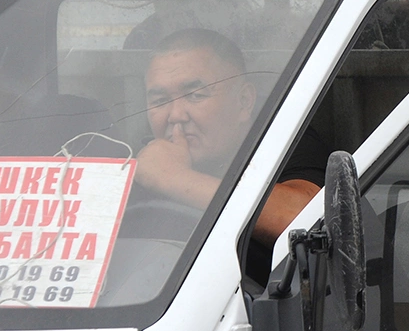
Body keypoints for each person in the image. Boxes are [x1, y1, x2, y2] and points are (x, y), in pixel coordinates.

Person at [134, 28, 328, 252]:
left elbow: (305, 220)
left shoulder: (281, 140)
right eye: (160, 100)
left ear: (244, 101)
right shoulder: (142, 162)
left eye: (196, 96)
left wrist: (175, 178)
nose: (176, 115)